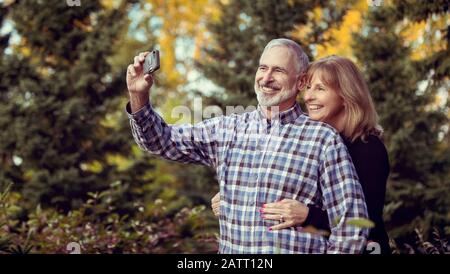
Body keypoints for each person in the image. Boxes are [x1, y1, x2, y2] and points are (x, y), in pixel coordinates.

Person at [125, 38, 369, 253]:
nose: (266, 78)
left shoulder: (323, 139)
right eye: (262, 68)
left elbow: (351, 224)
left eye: (278, 70)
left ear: (301, 81)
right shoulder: (226, 129)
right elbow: (160, 141)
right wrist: (139, 97)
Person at [211, 55, 391, 254]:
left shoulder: (368, 149)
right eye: (308, 88)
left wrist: (308, 215)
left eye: (320, 89)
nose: (308, 97)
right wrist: (236, 194)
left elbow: (363, 222)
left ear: (346, 95)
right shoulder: (312, 141)